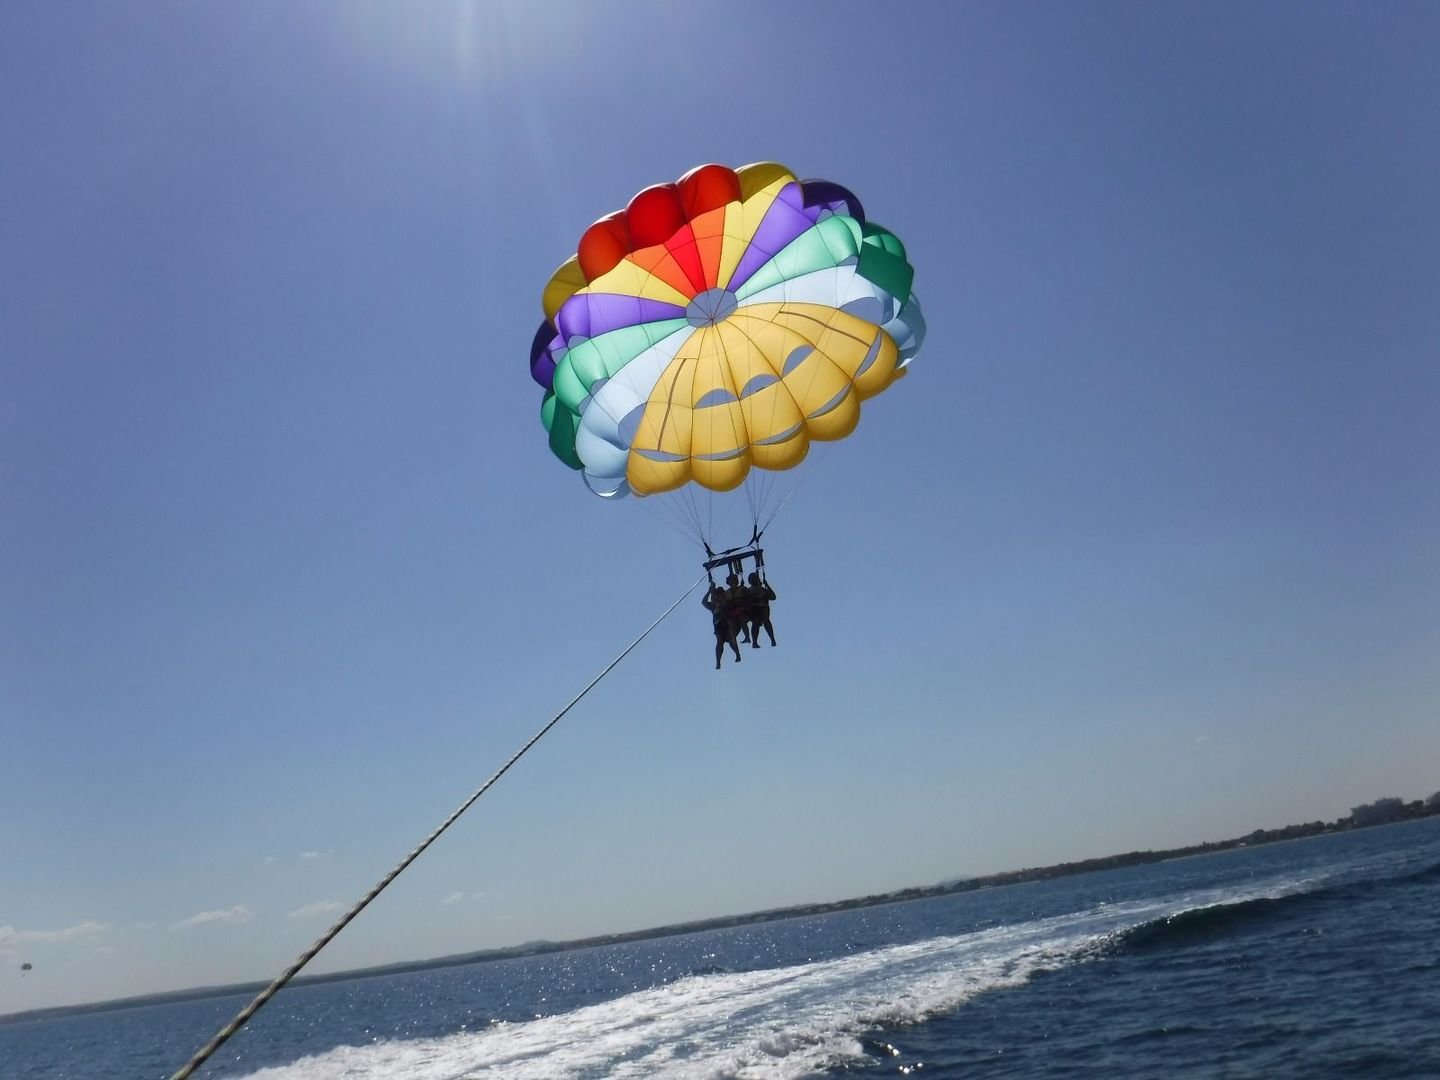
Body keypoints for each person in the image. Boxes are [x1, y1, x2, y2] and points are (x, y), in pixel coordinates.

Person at [702, 576, 744, 669]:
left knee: (730, 639)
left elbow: (736, 603)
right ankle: (718, 662)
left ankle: (737, 654)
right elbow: (704, 602)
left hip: (729, 623)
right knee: (720, 641)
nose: (719, 596)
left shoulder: (728, 602)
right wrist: (710, 591)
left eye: (721, 594)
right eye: (718, 594)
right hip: (719, 625)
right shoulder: (714, 606)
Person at [743, 571, 777, 647]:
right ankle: (754, 642)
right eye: (752, 579)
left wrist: (767, 585)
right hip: (753, 610)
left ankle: (772, 639)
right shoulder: (748, 591)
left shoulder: (763, 590)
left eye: (755, 578)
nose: (754, 580)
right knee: (755, 622)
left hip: (763, 608)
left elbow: (773, 597)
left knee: (766, 621)